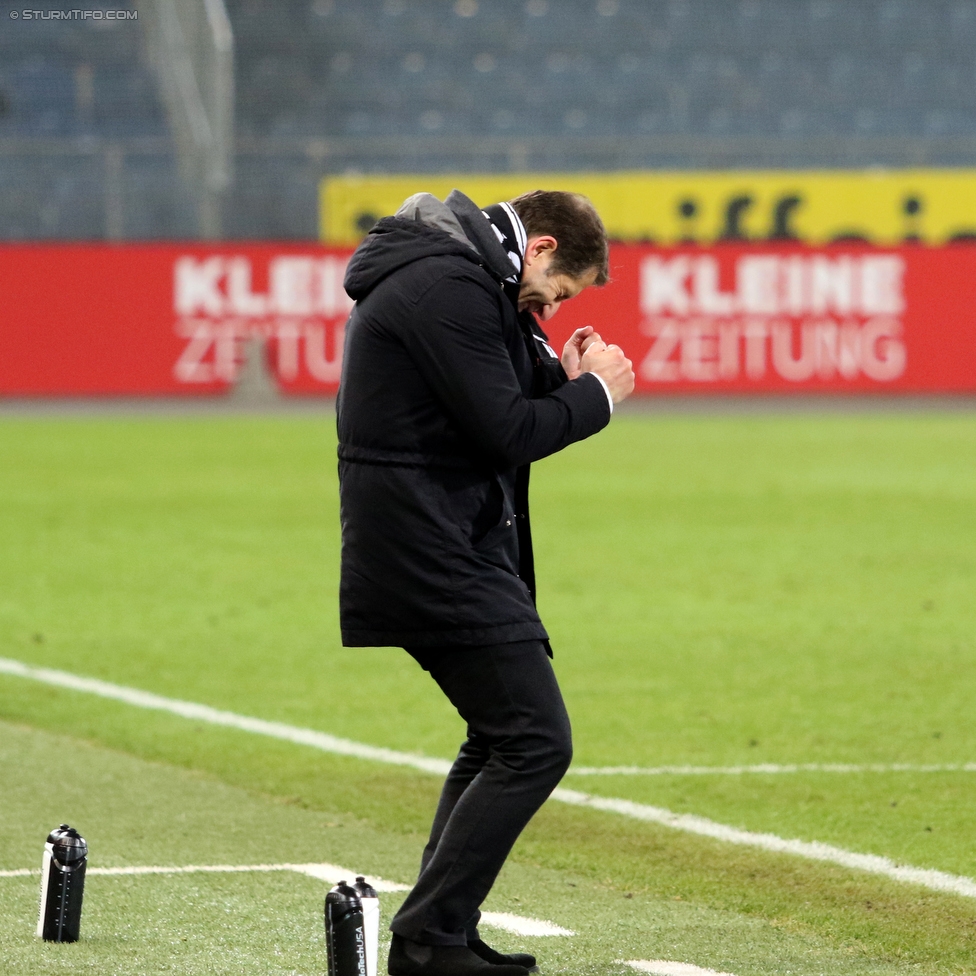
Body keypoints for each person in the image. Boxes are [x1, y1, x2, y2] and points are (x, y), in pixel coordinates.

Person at [337, 188, 634, 976]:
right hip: (430, 544)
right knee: (535, 740)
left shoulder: (467, 280)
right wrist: (595, 396)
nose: (551, 304)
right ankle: (430, 940)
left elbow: (486, 407)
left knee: (501, 734)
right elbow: (504, 431)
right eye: (559, 290)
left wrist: (559, 380)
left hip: (441, 538)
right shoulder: (448, 285)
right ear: (538, 247)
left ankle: (440, 934)